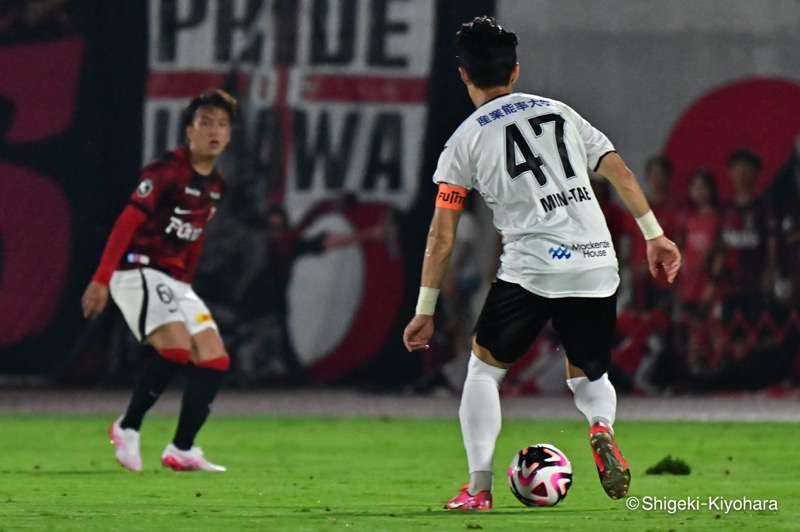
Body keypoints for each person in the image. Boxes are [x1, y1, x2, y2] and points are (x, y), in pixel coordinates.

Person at [402, 17, 681, 510]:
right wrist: (655, 236)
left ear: (464, 76)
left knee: (484, 372)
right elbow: (618, 171)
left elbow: (442, 234)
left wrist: (425, 307)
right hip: (596, 261)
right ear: (515, 72)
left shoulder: (463, 142)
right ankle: (600, 428)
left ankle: (479, 489)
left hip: (532, 268)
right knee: (589, 377)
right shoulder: (562, 113)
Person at [81, 89, 238, 472]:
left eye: (221, 124)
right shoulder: (167, 171)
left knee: (214, 359)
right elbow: (127, 221)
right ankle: (127, 427)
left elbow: (194, 235)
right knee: (174, 350)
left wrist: (187, 283)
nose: (213, 131)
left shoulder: (216, 183)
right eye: (205, 123)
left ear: (230, 134)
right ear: (189, 130)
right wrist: (101, 280)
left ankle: (182, 449)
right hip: (137, 269)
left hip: (172, 279)